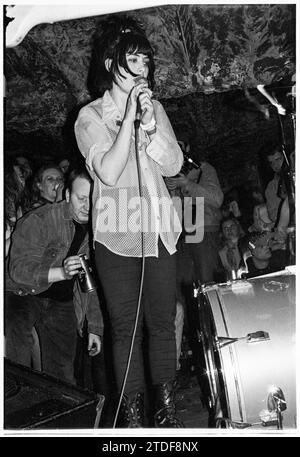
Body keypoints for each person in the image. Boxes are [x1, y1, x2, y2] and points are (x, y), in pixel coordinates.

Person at [74, 15, 183, 428]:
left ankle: (167, 413)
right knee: (125, 327)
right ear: (109, 63)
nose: (143, 68)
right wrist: (128, 122)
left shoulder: (153, 109)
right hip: (116, 231)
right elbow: (109, 170)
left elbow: (172, 165)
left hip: (156, 226)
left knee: (162, 321)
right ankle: (134, 419)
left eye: (146, 61)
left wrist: (151, 124)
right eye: (133, 59)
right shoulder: (89, 116)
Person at [5, 169, 103, 384]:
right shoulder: (40, 219)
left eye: (93, 199)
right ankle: (15, 402)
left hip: (61, 302)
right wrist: (61, 272)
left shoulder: (98, 230)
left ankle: (59, 412)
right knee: (17, 346)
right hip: (22, 293)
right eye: (81, 198)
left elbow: (91, 285)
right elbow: (18, 270)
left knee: (62, 375)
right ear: (68, 195)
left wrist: (95, 327)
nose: (87, 206)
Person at [166, 145, 224, 285]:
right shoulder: (168, 172)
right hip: (182, 234)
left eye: (180, 144)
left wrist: (187, 183)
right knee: (185, 282)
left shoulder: (203, 168)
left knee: (208, 281)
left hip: (203, 229)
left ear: (187, 147)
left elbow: (216, 199)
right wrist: (172, 191)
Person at [261, 142, 285, 223]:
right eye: (271, 163)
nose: (275, 165)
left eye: (278, 159)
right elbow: (273, 215)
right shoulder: (271, 187)